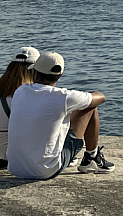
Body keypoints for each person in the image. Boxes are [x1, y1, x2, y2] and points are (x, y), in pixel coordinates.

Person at [7, 51, 115, 179]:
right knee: (89, 107)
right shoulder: (63, 97)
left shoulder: (20, 91)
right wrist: (84, 96)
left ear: (35, 72)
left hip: (15, 167)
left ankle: (75, 155)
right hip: (45, 170)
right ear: (60, 75)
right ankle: (92, 158)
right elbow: (101, 97)